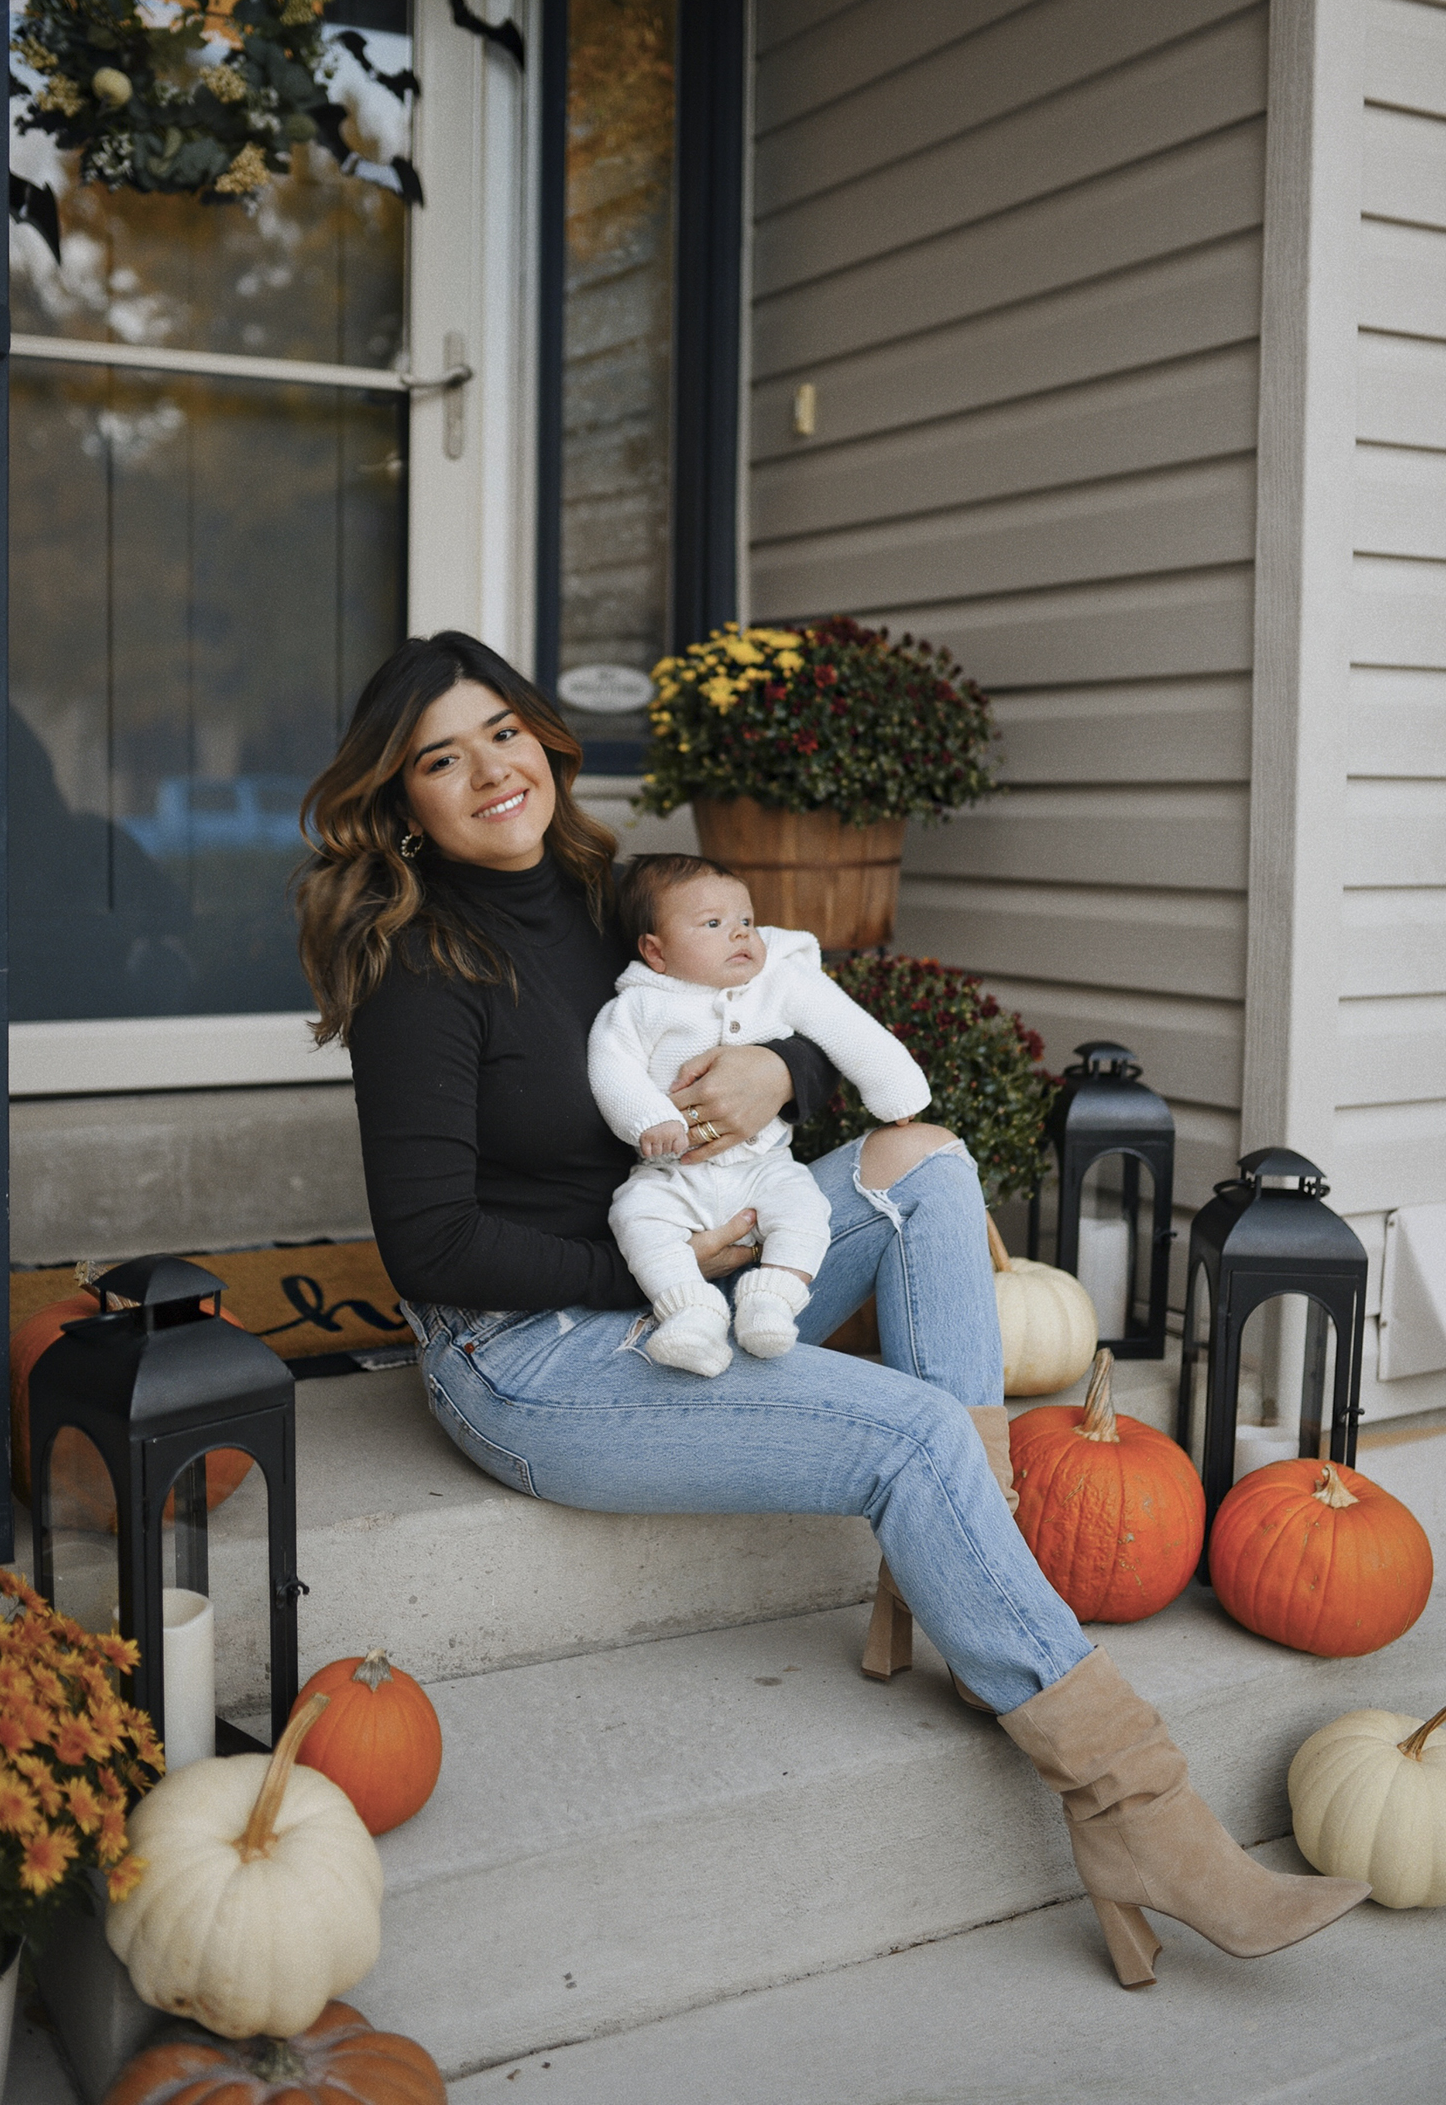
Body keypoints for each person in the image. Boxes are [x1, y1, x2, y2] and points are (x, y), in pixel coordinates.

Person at [296, 629, 1367, 1990]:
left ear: (544, 739)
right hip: (531, 1350)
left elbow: (772, 999)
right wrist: (646, 1272)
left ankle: (951, 1579)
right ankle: (1140, 1816)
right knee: (912, 1434)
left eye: (501, 732)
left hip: (690, 1255)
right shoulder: (420, 972)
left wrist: (778, 1073)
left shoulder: (602, 894)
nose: (489, 772)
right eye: (441, 760)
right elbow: (431, 1244)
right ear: (403, 803)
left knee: (928, 1164)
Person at [590, 852, 929, 1374]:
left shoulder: (782, 983)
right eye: (713, 924)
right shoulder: (637, 1006)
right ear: (655, 952)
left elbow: (847, 1028)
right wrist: (645, 1119)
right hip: (672, 1174)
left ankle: (770, 1300)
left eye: (746, 921)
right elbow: (613, 1069)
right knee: (636, 1217)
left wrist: (897, 1093)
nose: (740, 935)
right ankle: (689, 1314)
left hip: (764, 1167)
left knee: (804, 1211)